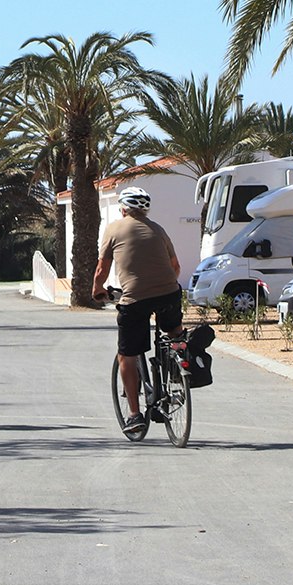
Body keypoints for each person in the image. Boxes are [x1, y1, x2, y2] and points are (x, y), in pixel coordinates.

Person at [91, 186, 181, 438]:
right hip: (170, 294)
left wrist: (97, 291)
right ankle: (178, 367)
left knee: (127, 355)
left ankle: (134, 416)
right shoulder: (159, 229)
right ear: (145, 210)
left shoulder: (114, 229)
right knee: (173, 331)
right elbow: (176, 266)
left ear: (122, 209)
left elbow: (102, 269)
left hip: (135, 299)